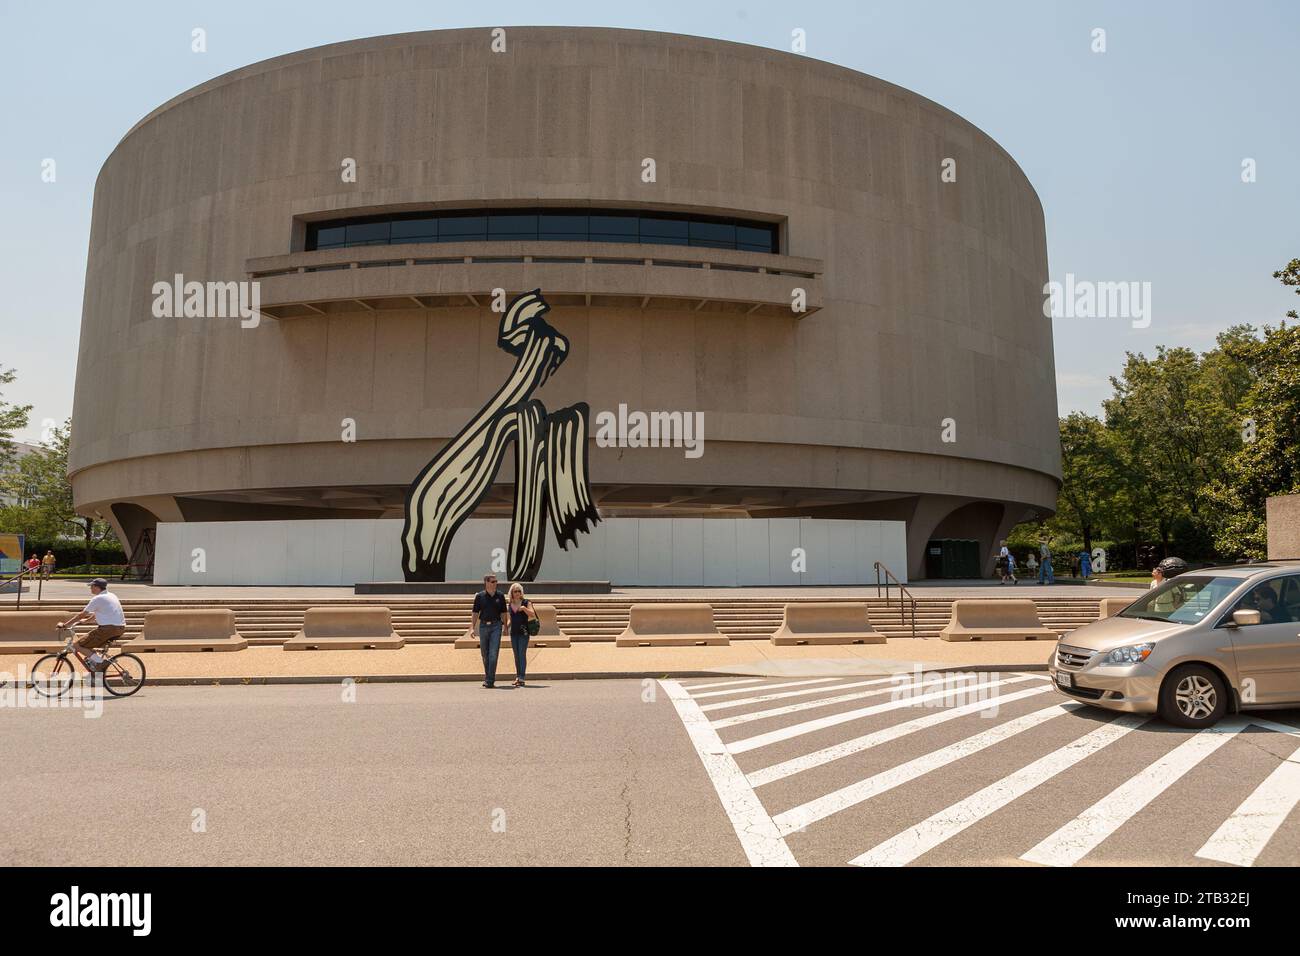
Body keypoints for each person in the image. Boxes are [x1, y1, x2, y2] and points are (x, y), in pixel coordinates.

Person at [55, 578, 126, 674]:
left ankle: (101, 663)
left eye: (92, 586)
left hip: (108, 629)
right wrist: (86, 621)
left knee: (77, 645)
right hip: (119, 628)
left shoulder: (98, 598)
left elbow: (82, 614)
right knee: (87, 646)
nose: (90, 588)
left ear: (97, 587)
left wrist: (65, 624)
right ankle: (96, 667)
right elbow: (99, 612)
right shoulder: (111, 595)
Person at [470, 573, 507, 688]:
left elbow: (504, 612)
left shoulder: (500, 596)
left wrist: (505, 626)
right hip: (483, 626)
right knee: (485, 654)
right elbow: (475, 613)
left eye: (496, 582)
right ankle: (488, 677)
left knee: (493, 654)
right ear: (486, 582)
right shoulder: (480, 596)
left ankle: (490, 680)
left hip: (496, 626)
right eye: (493, 581)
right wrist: (472, 627)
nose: (495, 583)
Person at [505, 582, 538, 688]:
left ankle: (522, 678)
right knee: (516, 655)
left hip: (524, 632)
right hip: (513, 632)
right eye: (515, 591)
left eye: (519, 591)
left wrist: (524, 608)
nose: (518, 593)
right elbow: (510, 618)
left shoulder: (526, 602)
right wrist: (506, 627)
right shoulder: (510, 604)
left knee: (521, 654)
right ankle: (518, 677)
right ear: (512, 593)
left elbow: (532, 614)